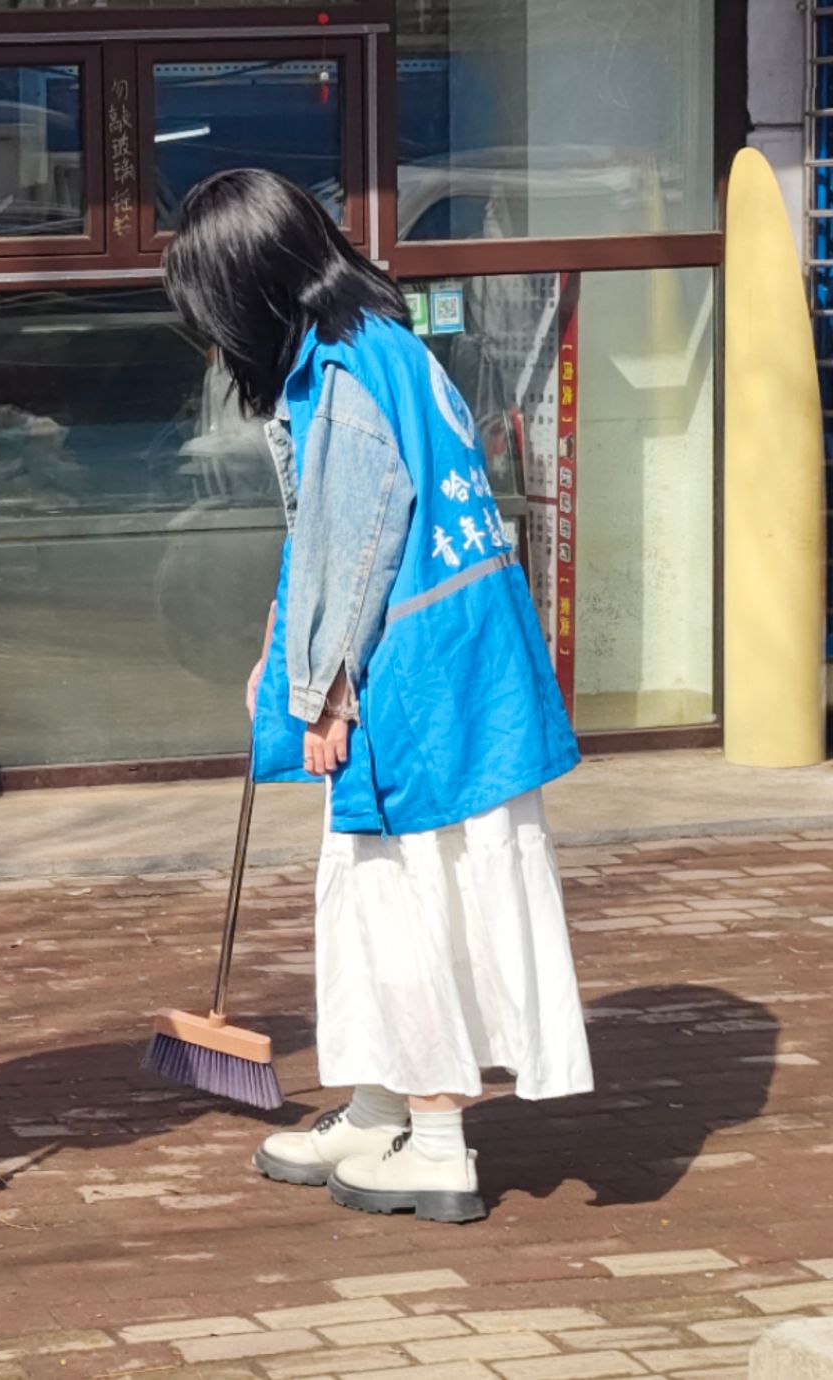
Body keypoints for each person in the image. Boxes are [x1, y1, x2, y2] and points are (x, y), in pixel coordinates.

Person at [164, 169, 592, 1224]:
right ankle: (376, 1106)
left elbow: (359, 545)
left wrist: (319, 690)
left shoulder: (347, 378)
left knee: (407, 904)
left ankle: (436, 1144)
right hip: (452, 672)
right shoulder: (378, 347)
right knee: (378, 895)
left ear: (252, 287)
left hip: (416, 687)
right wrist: (285, 646)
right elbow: (328, 533)